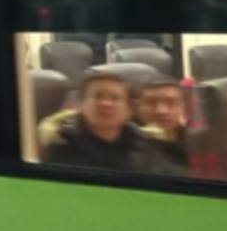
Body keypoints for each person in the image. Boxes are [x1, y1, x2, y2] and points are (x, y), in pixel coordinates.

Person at [39, 71, 177, 175]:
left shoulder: (144, 143)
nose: (105, 104)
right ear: (82, 104)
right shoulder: (62, 144)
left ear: (129, 110)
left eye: (115, 98)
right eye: (97, 96)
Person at [133, 77, 192, 171]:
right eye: (151, 102)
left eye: (171, 102)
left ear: (182, 107)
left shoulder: (198, 144)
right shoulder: (124, 144)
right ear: (137, 107)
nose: (161, 111)